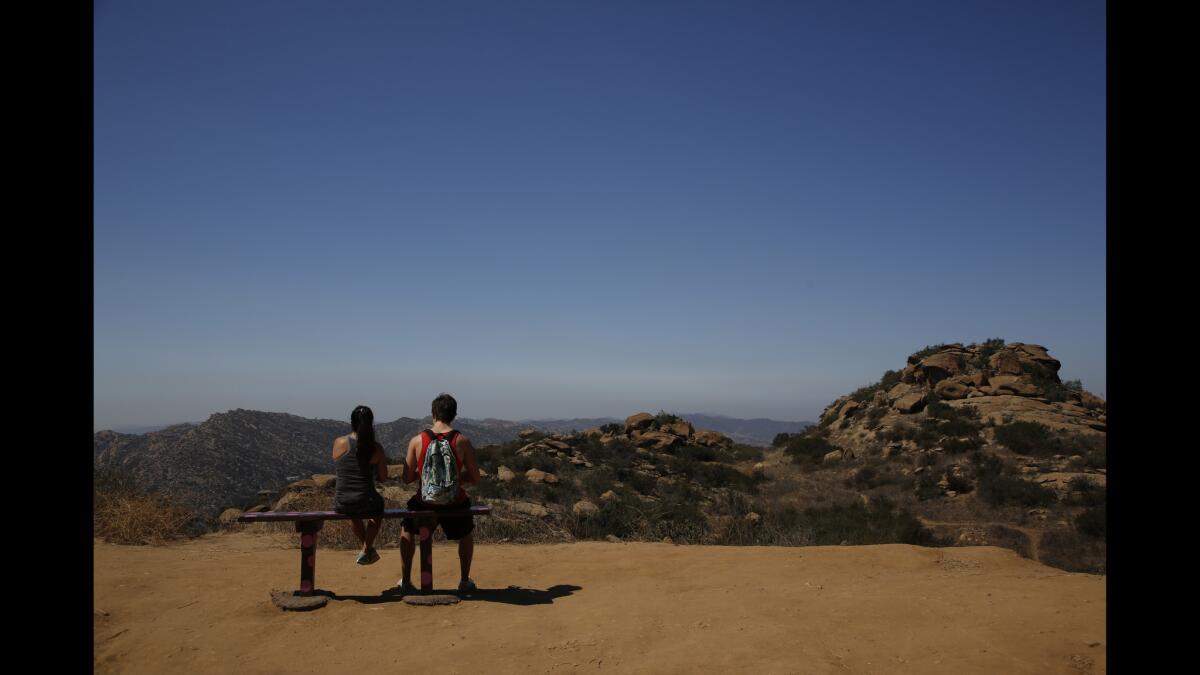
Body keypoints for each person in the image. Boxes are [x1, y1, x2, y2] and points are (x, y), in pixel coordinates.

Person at [398, 393, 481, 593]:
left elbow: (407, 478)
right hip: (454, 501)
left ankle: (406, 581)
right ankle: (463, 580)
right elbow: (476, 477)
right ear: (454, 415)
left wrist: (425, 476)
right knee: (466, 532)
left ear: (433, 414)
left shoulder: (417, 440)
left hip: (425, 501)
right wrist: (456, 480)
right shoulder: (462, 441)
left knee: (407, 528)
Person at [332, 405, 388, 565]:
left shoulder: (339, 442)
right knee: (378, 507)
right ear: (371, 424)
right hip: (366, 501)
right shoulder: (375, 448)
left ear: (352, 422)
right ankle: (366, 548)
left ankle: (366, 549)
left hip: (341, 501)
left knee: (353, 511)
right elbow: (383, 478)